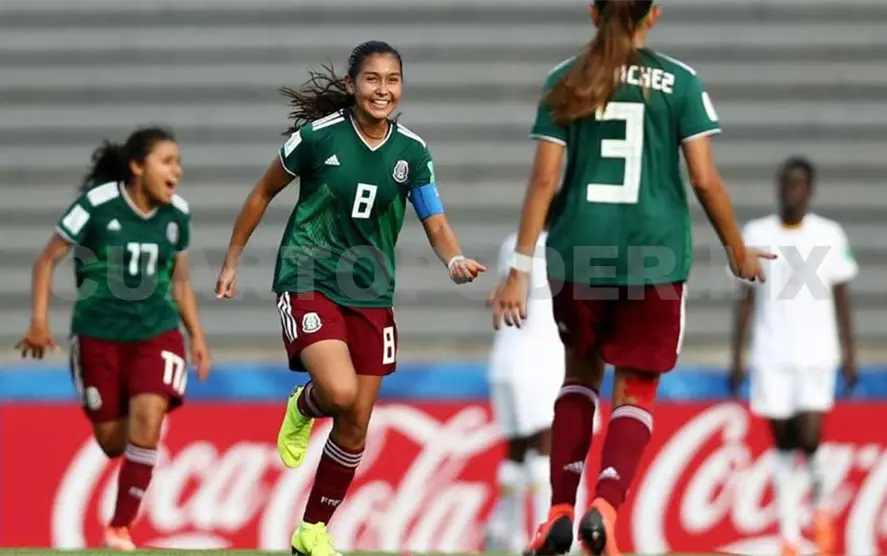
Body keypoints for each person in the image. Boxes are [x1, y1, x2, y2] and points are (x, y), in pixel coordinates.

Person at [487, 1, 774, 555]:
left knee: (579, 377)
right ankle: (605, 508)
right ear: (653, 15)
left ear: (592, 13)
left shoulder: (565, 79)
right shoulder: (680, 83)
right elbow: (705, 179)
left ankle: (559, 512)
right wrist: (736, 249)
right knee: (636, 389)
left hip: (577, 252)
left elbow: (544, 180)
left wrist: (518, 268)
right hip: (654, 256)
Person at [214, 40, 485, 556]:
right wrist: (232, 260)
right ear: (351, 85)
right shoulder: (319, 138)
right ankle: (303, 404)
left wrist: (453, 259)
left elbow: (435, 219)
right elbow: (262, 192)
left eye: (392, 80)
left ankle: (311, 530)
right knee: (338, 393)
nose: (383, 90)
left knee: (357, 421)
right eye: (372, 79)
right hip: (308, 275)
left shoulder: (412, 152)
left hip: (371, 290)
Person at [16, 126, 211, 551]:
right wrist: (38, 323)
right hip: (98, 336)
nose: (176, 170)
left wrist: (196, 335)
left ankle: (120, 527)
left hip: (156, 332)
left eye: (179, 162)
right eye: (167, 161)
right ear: (138, 166)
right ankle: (135, 429)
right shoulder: (97, 205)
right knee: (111, 442)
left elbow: (180, 280)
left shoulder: (177, 214)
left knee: (148, 418)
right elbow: (46, 260)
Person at [729, 156, 858, 556]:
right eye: (786, 183)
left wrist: (850, 353)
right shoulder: (756, 233)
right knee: (783, 444)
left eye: (799, 184)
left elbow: (842, 296)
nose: (791, 191)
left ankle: (820, 509)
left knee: (809, 436)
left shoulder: (829, 234)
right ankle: (789, 535)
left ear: (810, 189)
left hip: (817, 353)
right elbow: (745, 301)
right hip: (771, 353)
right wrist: (737, 356)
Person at [486, 211, 565, 552]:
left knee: (516, 450)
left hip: (506, 358)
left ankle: (508, 534)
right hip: (542, 358)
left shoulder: (512, 244)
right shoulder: (562, 246)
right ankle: (542, 533)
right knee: (547, 447)